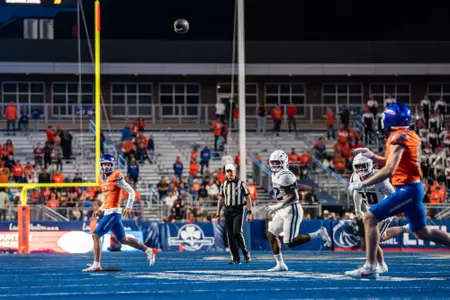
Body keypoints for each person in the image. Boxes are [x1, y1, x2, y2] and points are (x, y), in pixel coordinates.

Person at [347, 103, 450, 279]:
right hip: (413, 187)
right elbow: (392, 160)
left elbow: (388, 169)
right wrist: (373, 156)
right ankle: (373, 265)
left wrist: (363, 185)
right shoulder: (409, 135)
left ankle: (371, 266)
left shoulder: (398, 137)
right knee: (422, 231)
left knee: (369, 217)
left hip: (407, 188)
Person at [83, 154, 158, 272]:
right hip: (108, 211)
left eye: (109, 164)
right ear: (101, 165)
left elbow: (131, 191)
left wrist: (129, 206)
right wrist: (101, 209)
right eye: (105, 164)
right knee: (123, 239)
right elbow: (108, 197)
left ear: (112, 165)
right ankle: (149, 250)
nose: (107, 167)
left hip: (114, 213)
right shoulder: (100, 178)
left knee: (96, 235)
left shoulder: (116, 176)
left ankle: (96, 264)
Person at [265, 150, 331, 272]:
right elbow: (292, 188)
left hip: (292, 209)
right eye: (272, 162)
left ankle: (318, 234)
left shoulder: (285, 175)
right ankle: (280, 264)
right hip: (283, 208)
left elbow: (294, 197)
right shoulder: (275, 174)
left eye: (277, 162)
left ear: (284, 162)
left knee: (289, 243)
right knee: (271, 234)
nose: (274, 165)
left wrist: (277, 206)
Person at [348, 153, 411, 275]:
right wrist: (357, 209)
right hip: (370, 211)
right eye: (359, 166)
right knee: (380, 237)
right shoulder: (354, 177)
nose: (361, 169)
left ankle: (380, 265)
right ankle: (406, 228)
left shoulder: (379, 177)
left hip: (383, 210)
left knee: (372, 239)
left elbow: (393, 193)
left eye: (364, 166)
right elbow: (357, 193)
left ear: (371, 165)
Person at [215, 164, 252, 264]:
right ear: (226, 173)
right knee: (230, 235)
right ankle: (236, 258)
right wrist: (217, 214)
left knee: (236, 232)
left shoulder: (241, 184)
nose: (230, 173)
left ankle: (245, 253)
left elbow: (248, 198)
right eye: (228, 171)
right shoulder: (223, 184)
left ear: (235, 172)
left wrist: (249, 212)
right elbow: (220, 200)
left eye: (231, 171)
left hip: (238, 210)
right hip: (227, 210)